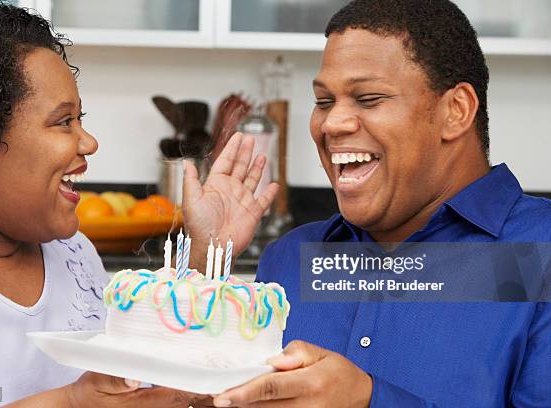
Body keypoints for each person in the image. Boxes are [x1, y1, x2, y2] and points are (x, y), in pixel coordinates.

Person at [183, 0, 551, 406]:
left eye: (369, 98)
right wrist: (206, 261)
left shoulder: (539, 254)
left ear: (455, 111)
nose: (332, 123)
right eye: (324, 102)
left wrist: (368, 400)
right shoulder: (292, 259)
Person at [0, 1, 202, 406]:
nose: (88, 142)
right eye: (64, 122)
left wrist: (204, 250)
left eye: (80, 119)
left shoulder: (74, 254)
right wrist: (71, 402)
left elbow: (134, 376)